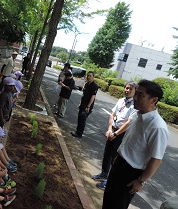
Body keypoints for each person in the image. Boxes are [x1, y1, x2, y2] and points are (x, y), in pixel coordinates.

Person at [102, 80, 170, 209]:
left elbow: (157, 159)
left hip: (131, 174)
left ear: (153, 100)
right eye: (136, 94)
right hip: (119, 165)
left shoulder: (157, 127)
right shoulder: (137, 115)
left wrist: (141, 181)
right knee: (108, 200)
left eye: (140, 95)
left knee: (117, 205)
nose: (135, 98)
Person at [92, 81, 137, 190]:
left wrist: (116, 134)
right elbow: (112, 115)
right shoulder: (121, 100)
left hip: (122, 134)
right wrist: (109, 129)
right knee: (107, 153)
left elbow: (128, 122)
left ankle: (109, 182)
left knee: (115, 158)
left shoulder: (135, 105)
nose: (127, 90)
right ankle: (104, 173)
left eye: (130, 89)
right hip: (113, 130)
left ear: (135, 91)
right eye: (126, 88)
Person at [71, 71, 98, 138]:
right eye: (88, 76)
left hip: (87, 107)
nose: (88, 77)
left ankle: (79, 134)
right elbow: (84, 95)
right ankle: (77, 132)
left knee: (82, 118)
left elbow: (93, 97)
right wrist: (80, 102)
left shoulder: (95, 86)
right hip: (82, 104)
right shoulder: (86, 84)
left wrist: (88, 106)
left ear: (93, 77)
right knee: (79, 118)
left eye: (90, 76)